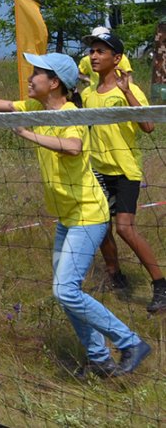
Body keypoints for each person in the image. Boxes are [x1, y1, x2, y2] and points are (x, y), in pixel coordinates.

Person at [0, 52, 152, 376]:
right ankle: (99, 359)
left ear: (55, 82)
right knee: (67, 292)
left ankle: (129, 342)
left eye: (37, 72)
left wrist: (27, 134)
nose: (30, 77)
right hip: (68, 217)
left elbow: (72, 147)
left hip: (88, 215)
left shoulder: (70, 113)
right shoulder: (37, 108)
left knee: (65, 290)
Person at [80, 30, 164, 312]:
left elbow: (149, 126)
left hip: (125, 170)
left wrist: (127, 91)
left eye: (100, 52)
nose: (93, 56)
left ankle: (160, 285)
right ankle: (115, 276)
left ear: (116, 59)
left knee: (125, 228)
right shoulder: (89, 93)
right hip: (98, 170)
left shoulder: (129, 89)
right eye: (92, 51)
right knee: (100, 229)